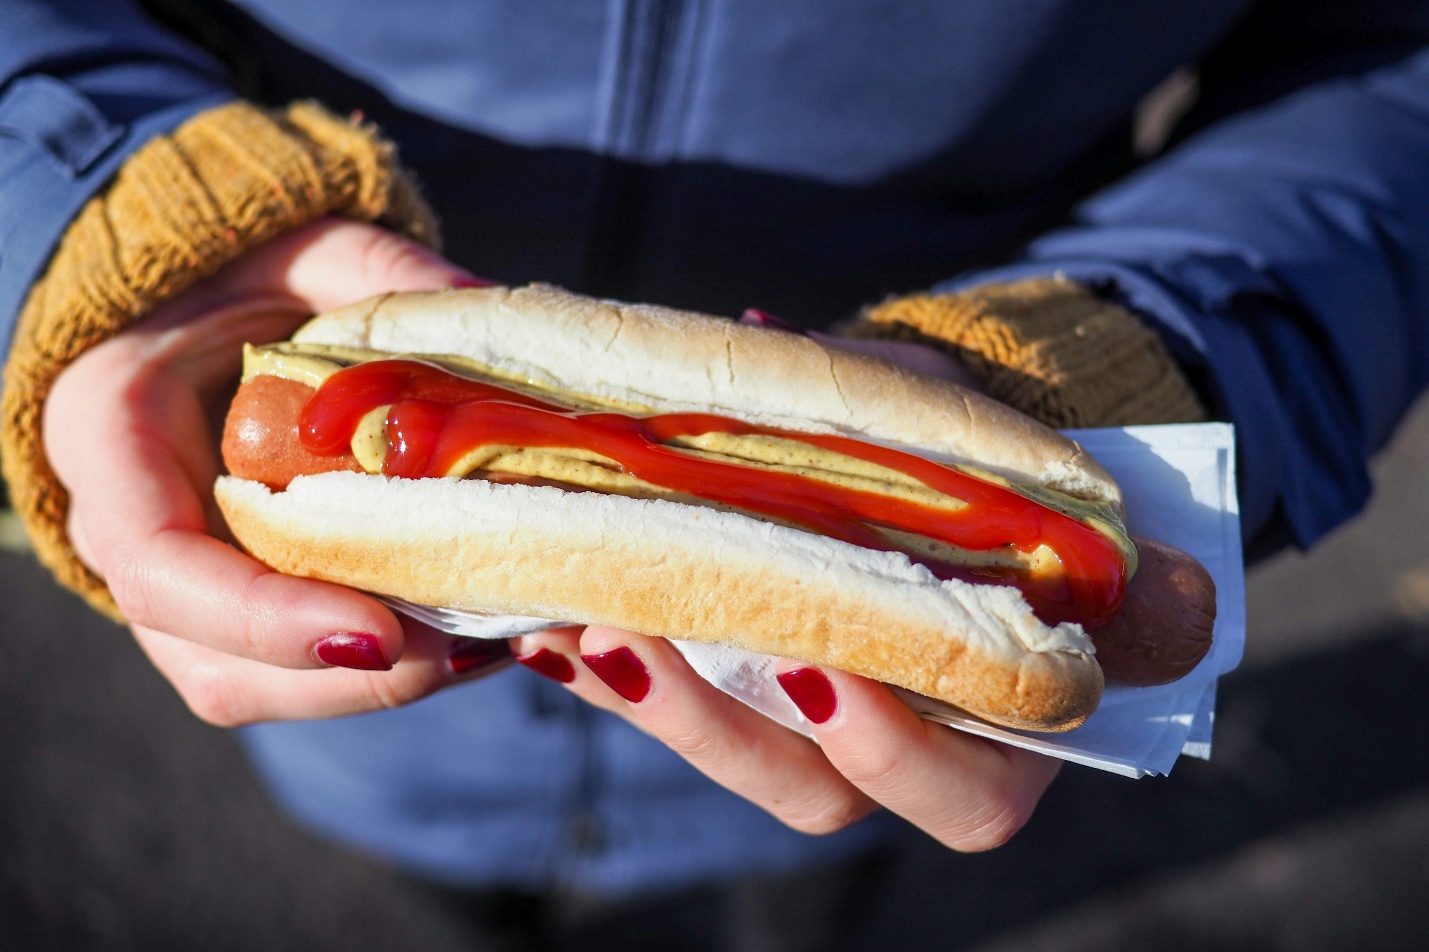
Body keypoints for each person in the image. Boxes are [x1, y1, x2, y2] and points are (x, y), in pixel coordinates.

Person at [2, 1, 1427, 947]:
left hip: (866, 733)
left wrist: (1146, 354)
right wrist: (104, 210)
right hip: (361, 692)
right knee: (452, 898)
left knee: (806, 894)